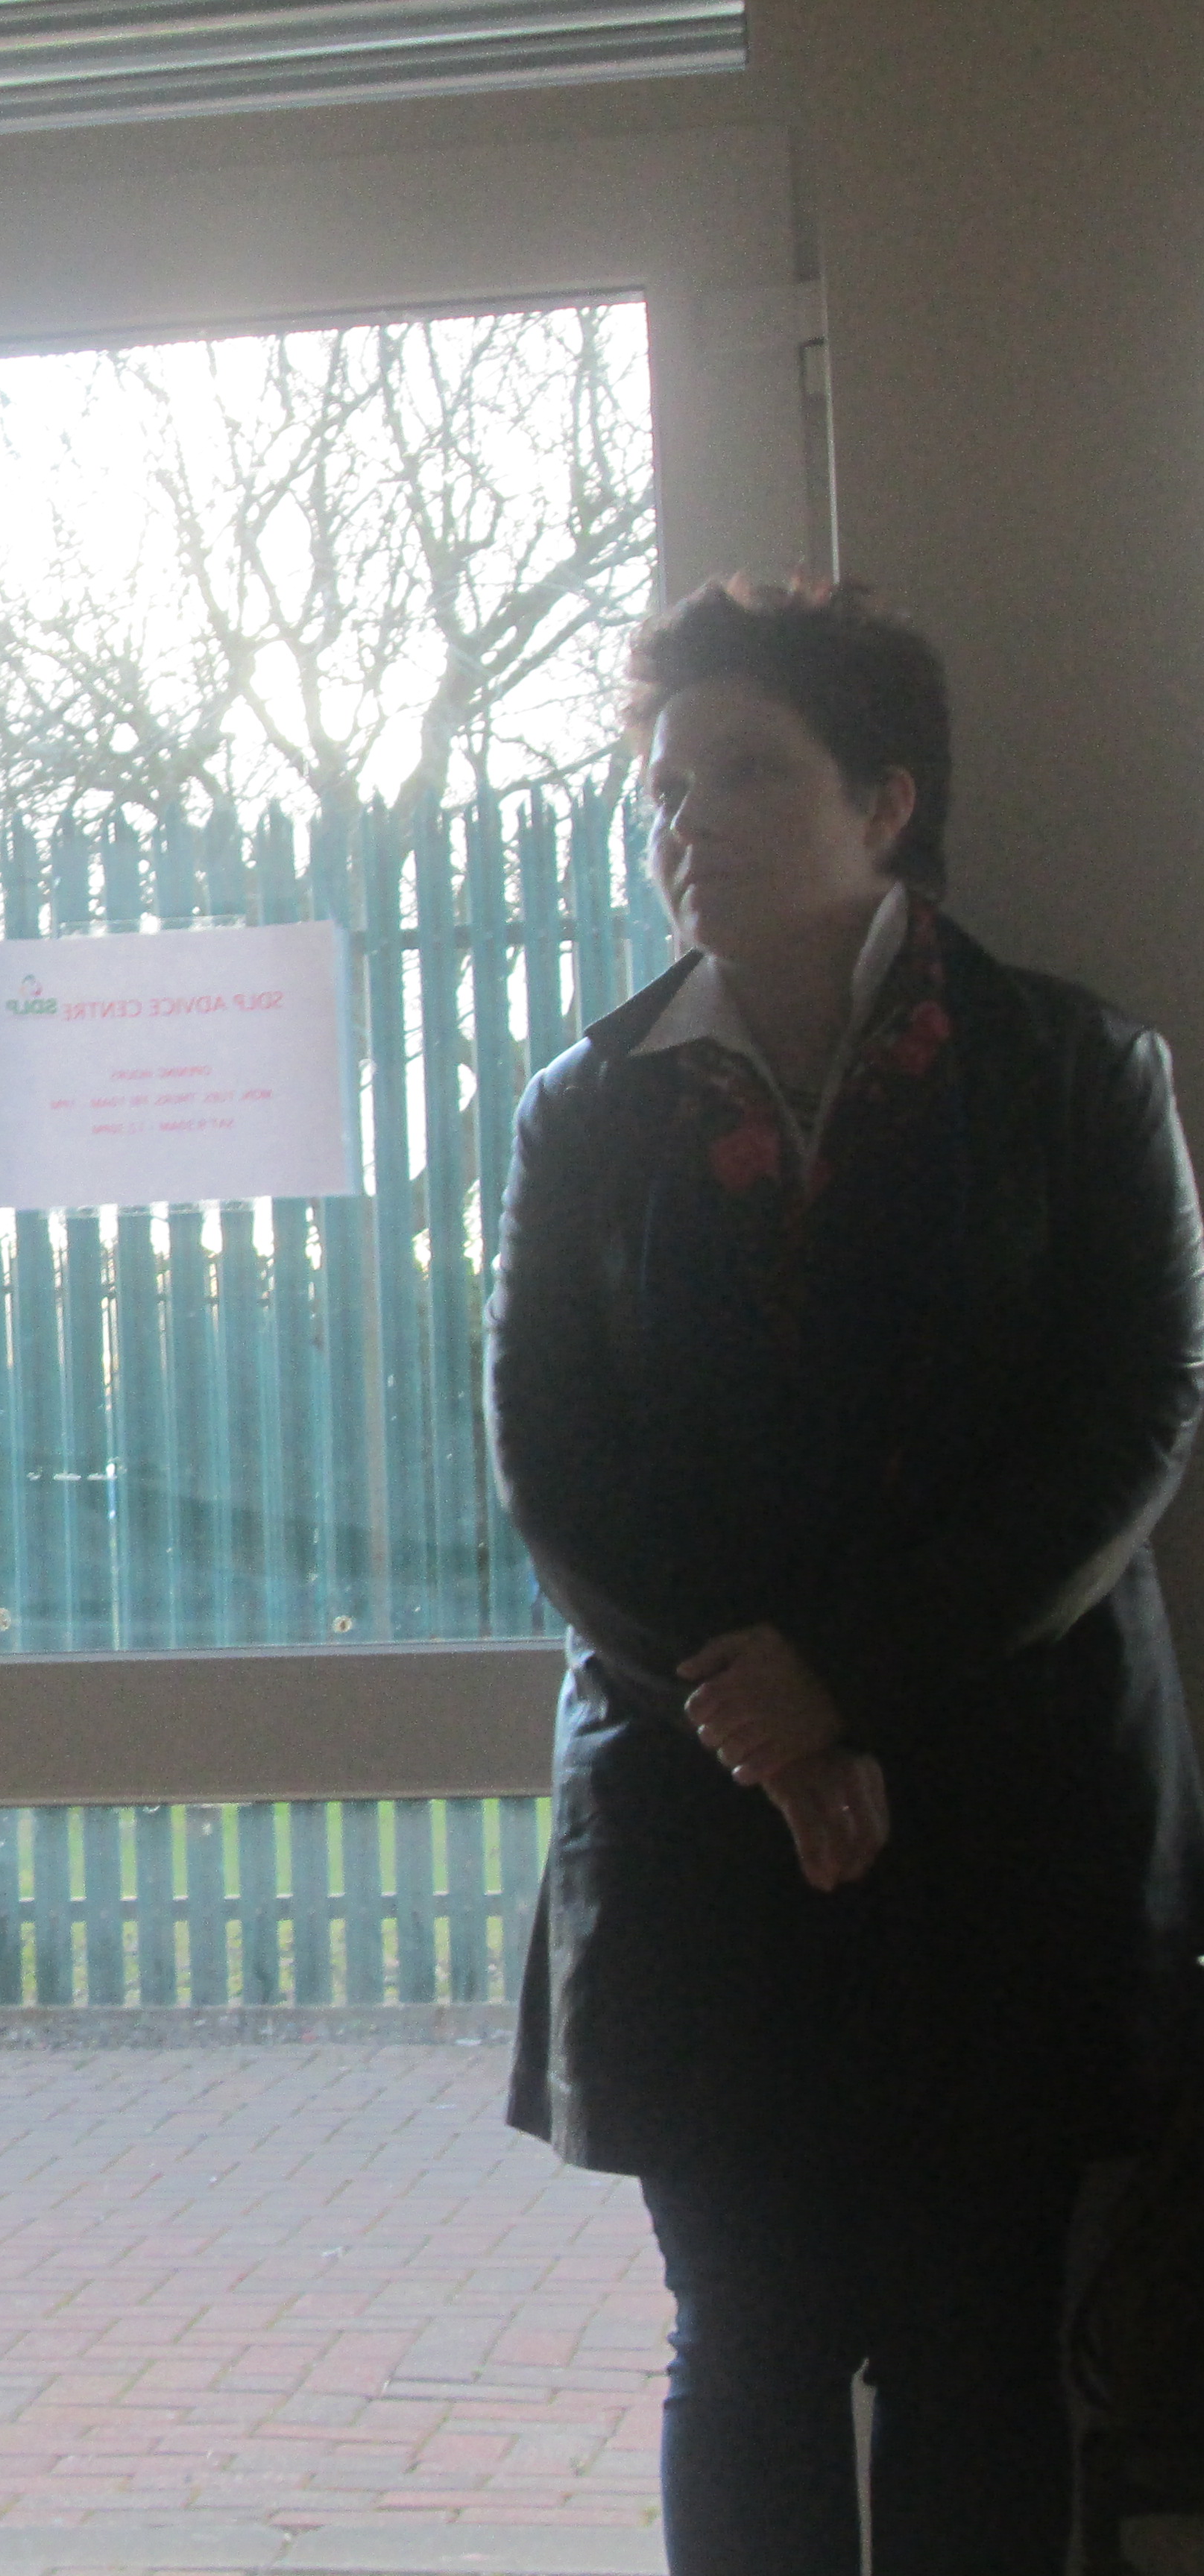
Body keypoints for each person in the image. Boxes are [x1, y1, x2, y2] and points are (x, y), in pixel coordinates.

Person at [485, 575, 1204, 2574]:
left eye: (744, 775)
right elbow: (556, 1470)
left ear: (886, 803)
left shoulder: (1075, 1073)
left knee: (982, 2349)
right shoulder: (588, 1111)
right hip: (699, 1811)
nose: (686, 825)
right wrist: (768, 1726)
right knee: (748, 2342)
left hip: (1008, 1810)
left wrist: (851, 1684)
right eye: (664, 788)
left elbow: (1135, 1422)